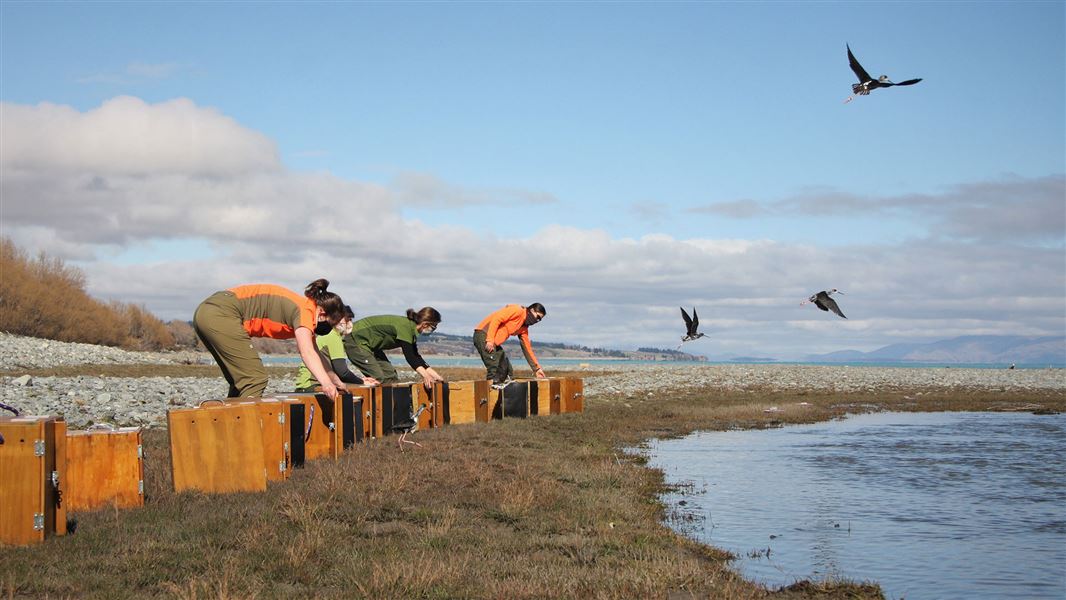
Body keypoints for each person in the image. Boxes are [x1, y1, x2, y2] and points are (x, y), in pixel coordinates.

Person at [193, 279, 348, 399]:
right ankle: (246, 436)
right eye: (331, 324)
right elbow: (306, 352)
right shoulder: (304, 311)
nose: (328, 330)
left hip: (207, 312)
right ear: (322, 313)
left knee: (240, 382)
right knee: (254, 379)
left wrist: (335, 380)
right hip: (221, 313)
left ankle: (227, 427)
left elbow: (315, 353)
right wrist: (326, 384)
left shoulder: (304, 309)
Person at [343, 307, 445, 389]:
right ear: (425, 324)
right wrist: (426, 376)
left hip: (371, 346)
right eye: (434, 327)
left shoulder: (412, 329)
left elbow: (416, 356)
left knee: (390, 376)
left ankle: (392, 409)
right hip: (355, 340)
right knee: (378, 378)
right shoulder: (405, 327)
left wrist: (435, 376)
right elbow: (410, 357)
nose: (434, 330)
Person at [293, 305, 380, 392]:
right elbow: (342, 372)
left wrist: (360, 380)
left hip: (308, 384)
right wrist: (361, 382)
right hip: (311, 385)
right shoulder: (333, 336)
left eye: (350, 320)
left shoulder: (331, 335)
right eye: (347, 319)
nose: (349, 323)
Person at [473, 303, 546, 387]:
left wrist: (536, 369)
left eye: (539, 320)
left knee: (507, 370)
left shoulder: (524, 328)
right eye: (538, 317)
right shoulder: (517, 310)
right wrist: (489, 340)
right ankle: (490, 395)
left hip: (494, 343)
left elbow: (527, 349)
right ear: (532, 310)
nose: (537, 321)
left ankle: (505, 397)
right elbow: (497, 318)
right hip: (484, 334)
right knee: (495, 369)